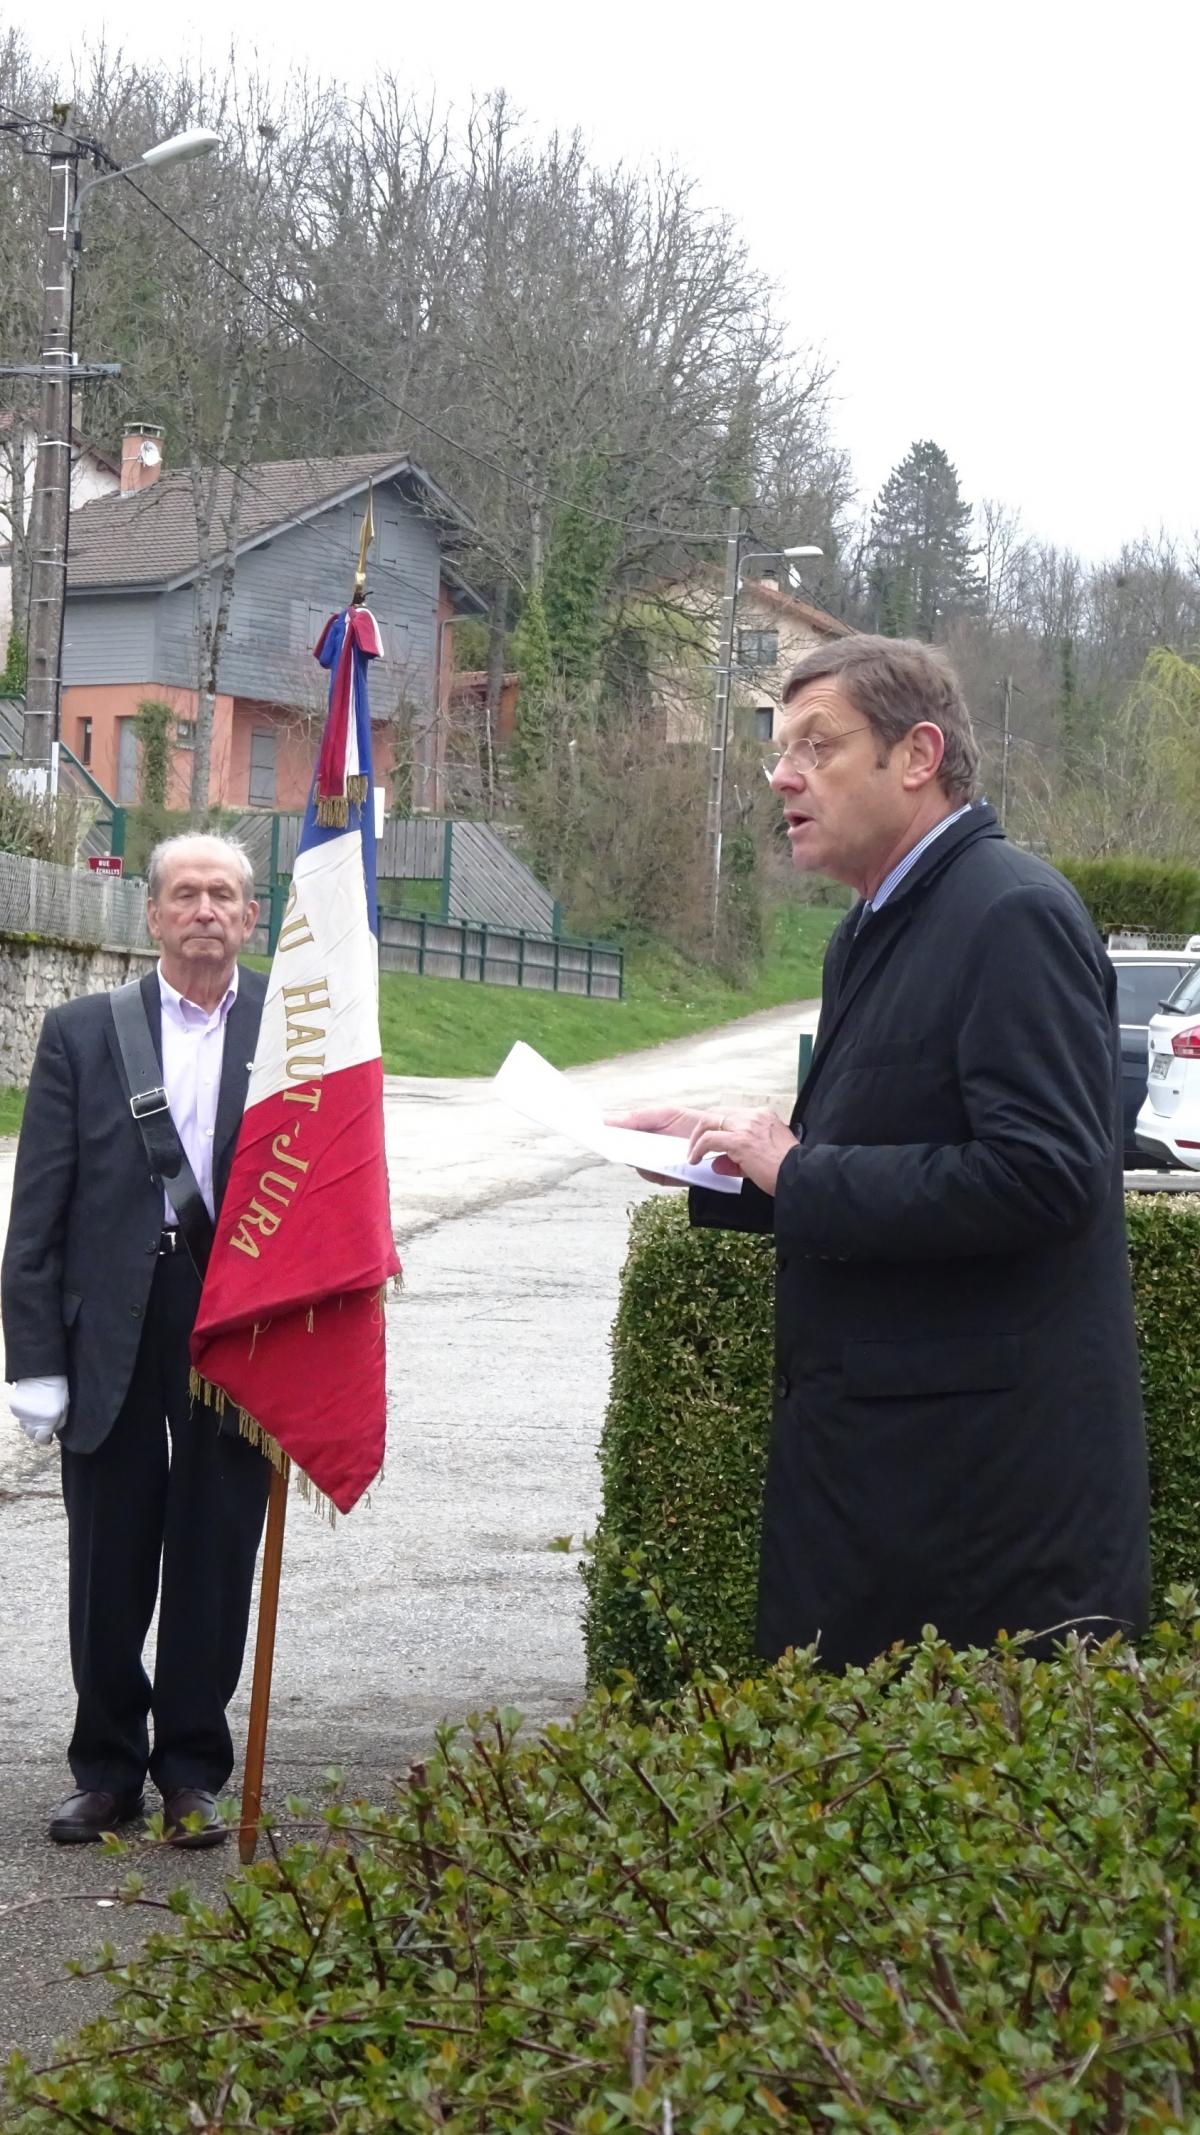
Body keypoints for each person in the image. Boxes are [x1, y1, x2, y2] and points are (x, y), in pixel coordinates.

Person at [615, 635, 1149, 1672]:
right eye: (779, 749)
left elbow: (1043, 1175)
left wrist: (800, 1168)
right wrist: (724, 1159)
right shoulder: (871, 927)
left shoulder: (1010, 912)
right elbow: (889, 1154)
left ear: (918, 755)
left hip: (980, 1516)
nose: (783, 774)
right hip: (881, 1488)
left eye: (818, 745)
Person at [2, 834, 271, 1845]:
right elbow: (38, 1213)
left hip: (234, 1317)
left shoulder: (293, 1032)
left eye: (225, 895)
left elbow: (335, 1181)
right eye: (186, 894)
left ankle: (192, 1771)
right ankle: (107, 1766)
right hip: (110, 1315)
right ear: (153, 914)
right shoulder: (82, 1031)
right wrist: (33, 1356)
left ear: (250, 917)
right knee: (108, 1557)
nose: (205, 910)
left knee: (213, 1547)